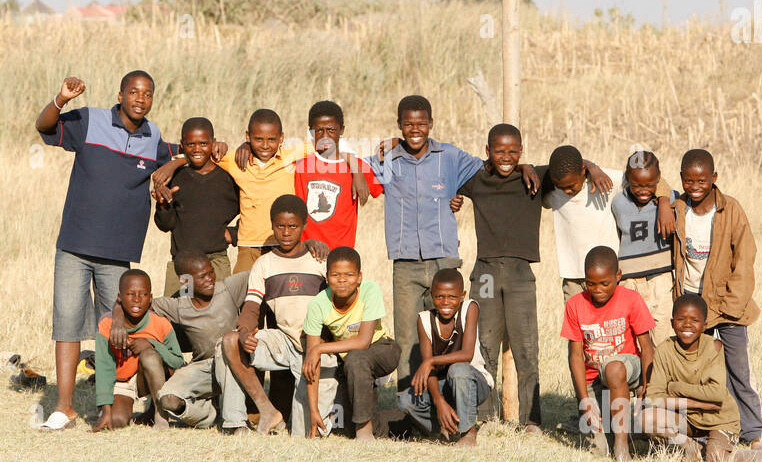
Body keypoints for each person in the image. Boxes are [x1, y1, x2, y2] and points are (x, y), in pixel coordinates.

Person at [34, 71, 180, 431]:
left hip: (119, 253)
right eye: (134, 92)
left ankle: (113, 398)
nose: (140, 99)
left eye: (148, 94)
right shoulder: (91, 120)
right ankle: (64, 407)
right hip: (75, 244)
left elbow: (182, 154)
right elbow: (44, 128)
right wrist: (61, 99)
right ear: (121, 94)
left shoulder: (153, 135)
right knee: (67, 323)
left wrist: (174, 164)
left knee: (114, 331)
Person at [368, 95, 540, 381]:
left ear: (431, 124)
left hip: (444, 260)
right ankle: (412, 408)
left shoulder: (450, 157)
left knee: (449, 335)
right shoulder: (388, 160)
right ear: (399, 125)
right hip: (405, 263)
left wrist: (525, 166)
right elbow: (354, 167)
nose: (414, 130)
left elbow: (494, 165)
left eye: (421, 123)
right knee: (408, 337)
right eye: (407, 124)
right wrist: (386, 144)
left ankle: (449, 399)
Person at [671, 148, 762, 452]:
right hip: (693, 309)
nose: (695, 187)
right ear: (681, 179)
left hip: (729, 308)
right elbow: (651, 184)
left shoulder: (730, 210)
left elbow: (745, 259)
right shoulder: (677, 208)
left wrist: (730, 306)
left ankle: (754, 432)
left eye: (702, 180)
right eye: (689, 181)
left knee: (739, 372)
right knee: (700, 373)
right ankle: (707, 431)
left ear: (714, 179)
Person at [453, 123, 546, 430]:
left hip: (520, 272)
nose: (506, 157)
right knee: (485, 345)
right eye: (499, 151)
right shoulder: (477, 178)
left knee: (525, 348)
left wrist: (591, 166)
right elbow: (445, 176)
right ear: (487, 152)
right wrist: (454, 199)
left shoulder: (534, 178)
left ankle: (531, 421)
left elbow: (568, 163)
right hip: (487, 272)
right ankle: (485, 415)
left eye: (513, 151)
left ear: (522, 151)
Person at [218, 195, 333, 436]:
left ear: (304, 226)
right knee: (228, 342)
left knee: (308, 434)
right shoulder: (265, 264)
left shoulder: (319, 259)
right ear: (272, 226)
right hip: (285, 343)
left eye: (293, 226)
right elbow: (251, 307)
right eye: (280, 226)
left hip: (316, 347)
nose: (286, 232)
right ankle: (244, 418)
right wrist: (246, 332)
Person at [641, 294, 762, 462]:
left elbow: (716, 394)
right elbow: (653, 399)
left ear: (704, 325)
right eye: (681, 319)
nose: (687, 325)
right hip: (688, 418)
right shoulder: (664, 350)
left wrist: (675, 387)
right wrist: (699, 404)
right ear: (671, 323)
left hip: (719, 418)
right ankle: (693, 449)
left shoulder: (714, 346)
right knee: (646, 418)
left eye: (694, 320)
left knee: (716, 458)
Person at [544, 144, 673, 308]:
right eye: (562, 187)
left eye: (571, 186)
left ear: (583, 171)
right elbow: (538, 173)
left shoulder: (606, 180)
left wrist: (663, 201)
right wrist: (591, 165)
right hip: (573, 276)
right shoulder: (554, 191)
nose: (567, 191)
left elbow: (649, 178)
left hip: (608, 276)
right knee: (577, 328)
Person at [561, 246, 656, 462]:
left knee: (613, 367)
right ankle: (622, 433)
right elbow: (575, 355)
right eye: (591, 283)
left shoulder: (631, 299)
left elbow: (647, 347)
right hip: (594, 380)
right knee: (598, 450)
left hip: (627, 369)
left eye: (605, 283)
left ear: (618, 276)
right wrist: (584, 400)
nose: (598, 289)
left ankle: (622, 445)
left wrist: (646, 388)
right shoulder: (575, 305)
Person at [300, 246, 398, 439]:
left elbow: (363, 342)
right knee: (345, 427)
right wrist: (314, 412)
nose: (343, 280)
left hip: (382, 348)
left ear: (359, 277)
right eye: (336, 275)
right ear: (327, 278)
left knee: (357, 359)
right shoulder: (318, 305)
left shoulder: (370, 290)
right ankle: (400, 422)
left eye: (349, 274)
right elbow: (312, 364)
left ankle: (364, 432)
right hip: (350, 359)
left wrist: (320, 348)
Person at [149, 253, 249, 429]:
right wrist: (118, 317)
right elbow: (139, 303)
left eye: (211, 272)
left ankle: (236, 423)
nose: (210, 279)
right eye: (203, 276)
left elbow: (264, 270)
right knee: (168, 400)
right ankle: (208, 416)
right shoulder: (179, 306)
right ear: (185, 281)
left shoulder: (228, 289)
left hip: (232, 364)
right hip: (204, 369)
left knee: (223, 350)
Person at [395, 268, 492, 446]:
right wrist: (439, 402)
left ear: (462, 296)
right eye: (439, 297)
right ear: (432, 295)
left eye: (452, 297)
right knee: (405, 401)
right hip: (442, 386)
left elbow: (466, 354)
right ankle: (446, 425)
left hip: (473, 382)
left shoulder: (469, 308)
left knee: (458, 369)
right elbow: (429, 372)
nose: (445, 302)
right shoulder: (424, 319)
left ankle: (468, 432)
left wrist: (431, 360)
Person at [152, 117, 240, 296]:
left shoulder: (227, 177)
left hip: (216, 262)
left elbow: (253, 206)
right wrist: (163, 206)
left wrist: (235, 233)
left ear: (213, 143)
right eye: (191, 144)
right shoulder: (176, 177)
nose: (197, 149)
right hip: (182, 265)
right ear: (182, 145)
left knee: (217, 316)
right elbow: (166, 225)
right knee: (179, 317)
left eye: (203, 143)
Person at [92, 269, 185, 431]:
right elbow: (104, 368)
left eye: (143, 295)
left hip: (149, 376)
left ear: (150, 298)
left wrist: (151, 344)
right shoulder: (106, 324)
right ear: (120, 298)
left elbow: (177, 361)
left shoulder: (161, 323)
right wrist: (105, 408)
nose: (137, 300)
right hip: (122, 382)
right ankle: (112, 410)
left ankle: (160, 414)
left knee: (149, 355)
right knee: (117, 421)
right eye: (130, 294)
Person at [294, 101, 382, 250]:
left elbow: (392, 187)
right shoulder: (299, 166)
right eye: (319, 130)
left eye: (331, 130)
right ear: (311, 132)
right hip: (307, 255)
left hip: (341, 258)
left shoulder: (358, 168)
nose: (325, 136)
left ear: (342, 130)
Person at [612, 149, 676, 327]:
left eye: (649, 185)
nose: (643, 191)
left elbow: (664, 188)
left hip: (661, 278)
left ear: (658, 179)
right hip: (628, 280)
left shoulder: (670, 199)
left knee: (663, 333)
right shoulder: (618, 202)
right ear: (627, 178)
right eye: (637, 185)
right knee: (633, 334)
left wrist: (664, 201)